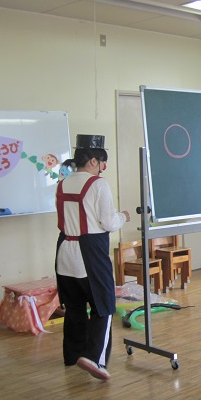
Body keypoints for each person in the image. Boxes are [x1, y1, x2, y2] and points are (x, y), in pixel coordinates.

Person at [55, 134, 130, 381]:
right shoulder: (98, 184)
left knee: (74, 307)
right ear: (94, 161)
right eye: (102, 161)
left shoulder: (62, 183)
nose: (103, 167)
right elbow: (108, 221)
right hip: (89, 253)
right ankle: (94, 358)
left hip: (64, 252)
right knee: (104, 306)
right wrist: (124, 217)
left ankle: (72, 355)